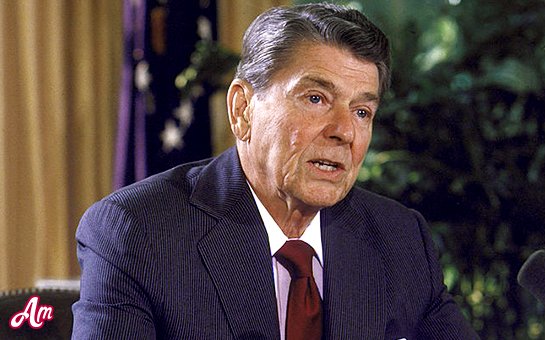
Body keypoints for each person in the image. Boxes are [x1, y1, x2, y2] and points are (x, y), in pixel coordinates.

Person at [72, 3, 479, 339]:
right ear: (242, 109)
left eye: (361, 111)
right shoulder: (137, 233)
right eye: (316, 98)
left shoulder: (398, 238)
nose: (344, 132)